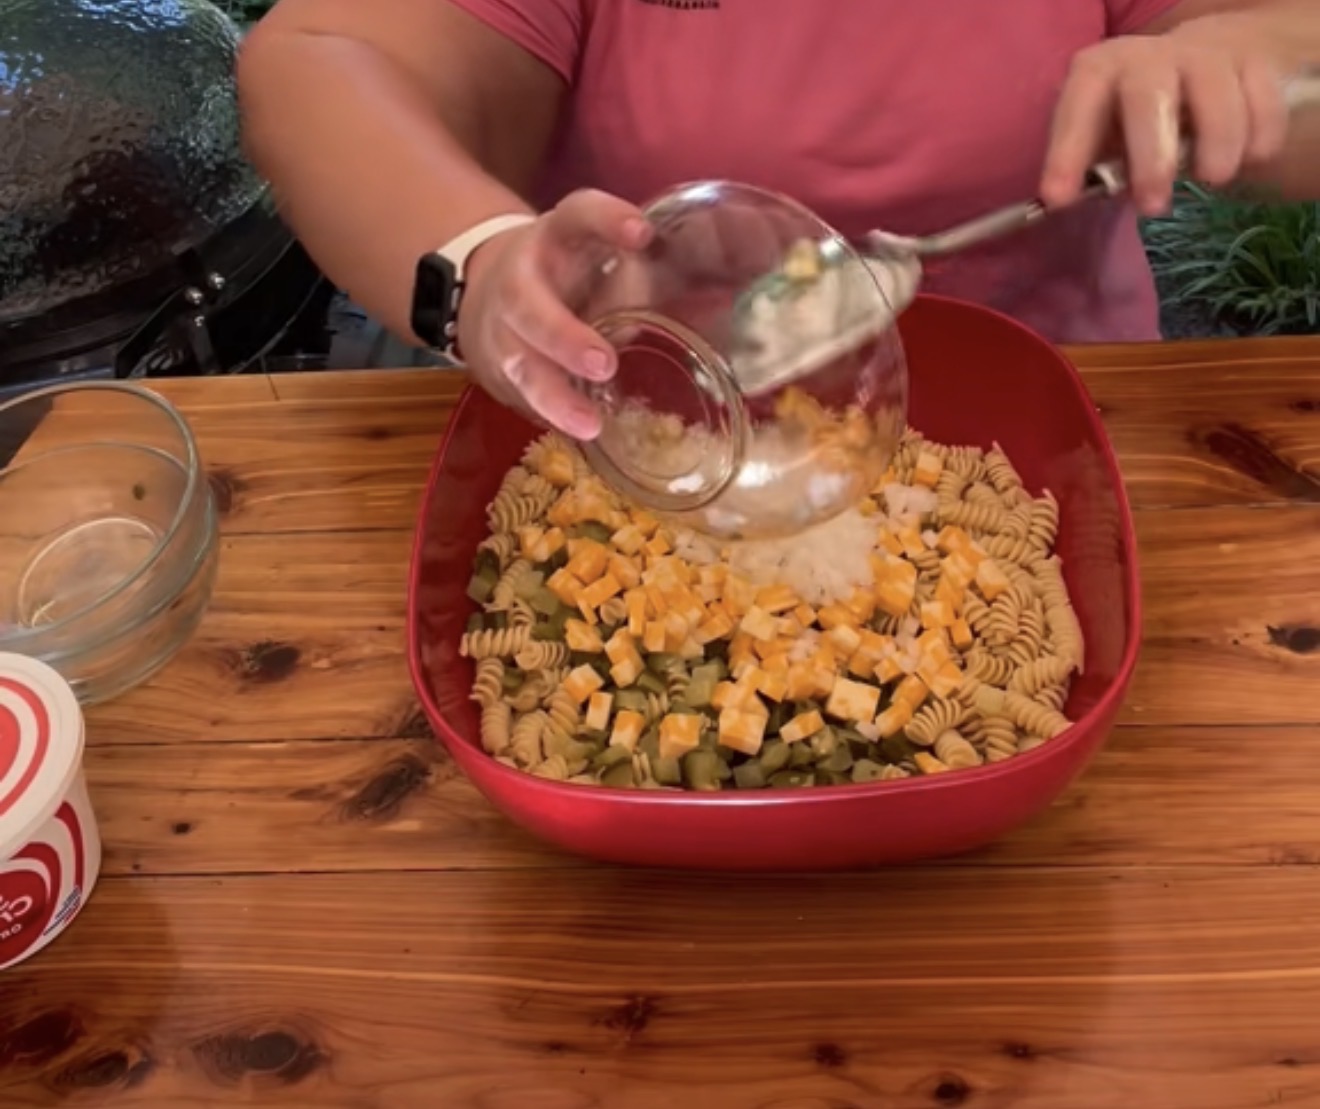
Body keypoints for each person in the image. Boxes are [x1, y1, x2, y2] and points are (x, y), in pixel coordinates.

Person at [238, 0, 1320, 439]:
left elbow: (1289, 57)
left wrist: (1254, 62)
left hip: (1061, 435)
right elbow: (325, 61)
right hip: (644, 438)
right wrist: (482, 267)